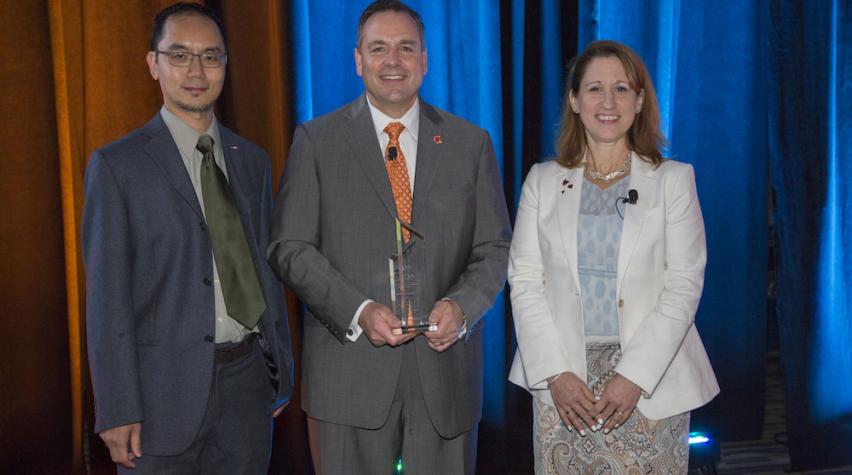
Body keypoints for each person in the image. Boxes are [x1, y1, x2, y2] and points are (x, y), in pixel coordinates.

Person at [267, 0, 511, 472]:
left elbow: (494, 248)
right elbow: (289, 247)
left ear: (425, 59)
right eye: (378, 48)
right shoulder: (317, 142)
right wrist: (358, 310)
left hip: (445, 379)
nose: (392, 61)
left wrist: (462, 308)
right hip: (348, 376)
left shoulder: (470, 143)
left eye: (405, 48)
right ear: (358, 60)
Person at [82, 3, 293, 473]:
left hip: (248, 388)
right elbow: (106, 296)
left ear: (225, 66)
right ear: (153, 64)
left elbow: (264, 270)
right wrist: (116, 406)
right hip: (159, 399)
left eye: (211, 56)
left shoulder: (251, 159)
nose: (196, 71)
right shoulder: (118, 166)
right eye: (179, 56)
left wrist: (279, 373)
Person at [507, 40, 719, 474]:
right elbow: (525, 282)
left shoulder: (673, 181)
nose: (608, 102)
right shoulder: (543, 182)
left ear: (639, 101)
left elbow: (684, 286)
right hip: (565, 388)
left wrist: (633, 376)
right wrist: (556, 375)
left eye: (622, 89)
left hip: (650, 384)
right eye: (595, 89)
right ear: (574, 100)